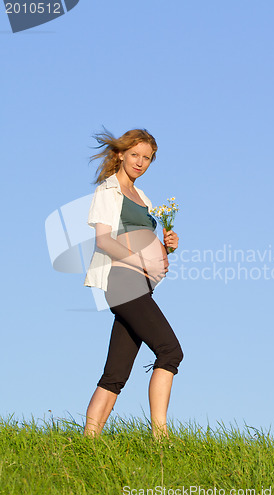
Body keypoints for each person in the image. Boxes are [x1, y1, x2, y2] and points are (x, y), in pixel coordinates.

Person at [83, 128, 184, 439]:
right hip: (122, 281)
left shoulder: (143, 199)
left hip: (141, 285)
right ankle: (160, 435)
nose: (141, 162)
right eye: (136, 155)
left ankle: (89, 440)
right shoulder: (108, 191)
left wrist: (167, 246)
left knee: (115, 373)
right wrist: (139, 260)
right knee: (170, 351)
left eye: (147, 158)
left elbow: (147, 245)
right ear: (121, 154)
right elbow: (103, 240)